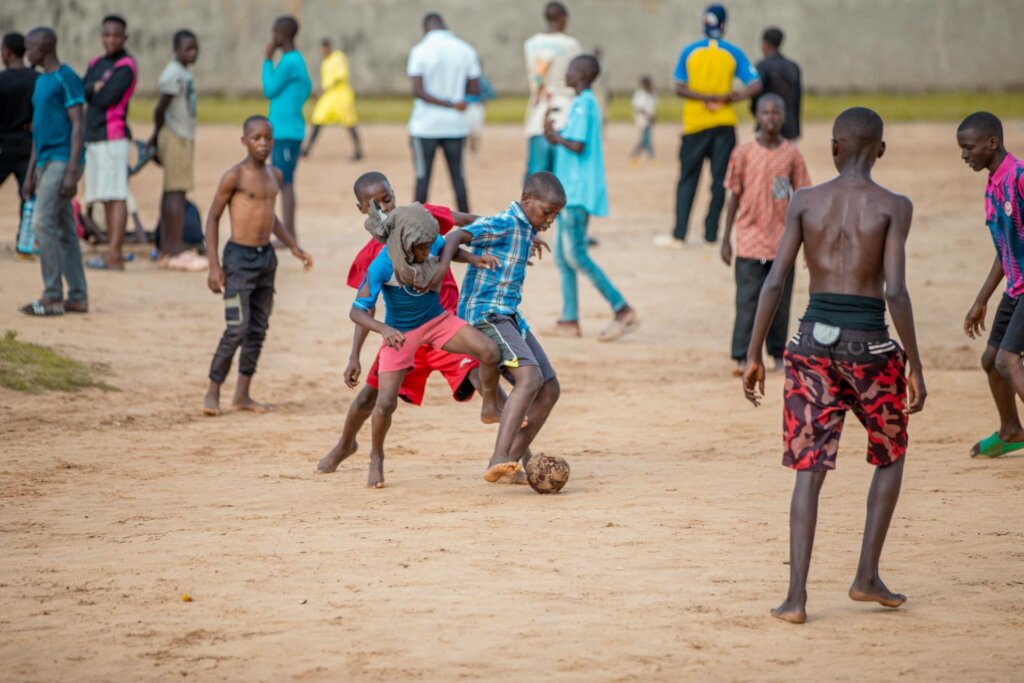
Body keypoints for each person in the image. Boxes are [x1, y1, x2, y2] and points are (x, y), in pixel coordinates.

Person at [742, 107, 927, 624]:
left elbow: (775, 280)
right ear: (881, 151)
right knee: (890, 453)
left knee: (809, 470)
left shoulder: (805, 200)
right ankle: (866, 575)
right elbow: (895, 290)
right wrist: (914, 363)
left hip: (808, 348)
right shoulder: (894, 206)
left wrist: (756, 352)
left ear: (834, 148)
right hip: (869, 350)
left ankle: (796, 598)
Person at [317, 171, 484, 475]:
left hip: (442, 324)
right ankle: (346, 445)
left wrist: (512, 232)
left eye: (387, 199)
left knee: (480, 375)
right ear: (361, 211)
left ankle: (515, 453)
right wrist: (354, 355)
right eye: (374, 206)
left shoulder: (422, 217)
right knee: (371, 396)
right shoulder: (373, 256)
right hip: (403, 334)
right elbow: (364, 307)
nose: (385, 209)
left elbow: (469, 220)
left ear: (395, 193)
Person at [347, 203, 506, 489]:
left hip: (438, 321)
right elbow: (357, 311)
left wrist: (472, 259)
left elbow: (448, 250)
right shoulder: (383, 264)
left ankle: (491, 407)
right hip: (402, 334)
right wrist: (385, 329)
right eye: (421, 250)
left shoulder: (429, 240)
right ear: (405, 245)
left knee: (490, 351)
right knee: (384, 403)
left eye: (429, 247)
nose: (426, 254)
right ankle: (376, 456)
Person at [435, 172, 566, 482]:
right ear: (527, 201)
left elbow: (520, 235)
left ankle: (513, 462)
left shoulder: (523, 228)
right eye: (546, 213)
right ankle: (500, 456)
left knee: (550, 389)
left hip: (508, 316)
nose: (549, 221)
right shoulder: (504, 222)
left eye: (554, 216)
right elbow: (452, 238)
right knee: (529, 377)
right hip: (484, 314)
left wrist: (530, 237)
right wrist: (448, 268)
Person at [202, 115, 313, 417]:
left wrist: (293, 246)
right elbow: (212, 218)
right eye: (256, 138)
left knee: (258, 328)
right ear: (244, 141)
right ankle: (213, 391)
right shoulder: (234, 176)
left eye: (268, 138)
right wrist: (214, 266)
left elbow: (271, 216)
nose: (263, 143)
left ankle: (242, 394)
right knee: (236, 328)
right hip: (238, 260)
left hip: (266, 260)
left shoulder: (274, 175)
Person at [544, 55, 638, 341]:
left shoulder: (584, 103)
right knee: (563, 256)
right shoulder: (582, 103)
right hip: (571, 192)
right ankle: (569, 320)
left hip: (577, 192)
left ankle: (621, 308)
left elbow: (577, 144)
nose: (567, 73)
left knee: (576, 254)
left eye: (571, 69)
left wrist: (555, 137)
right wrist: (557, 135)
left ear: (582, 75)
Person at [657, 4, 760, 249]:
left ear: (704, 23)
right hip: (724, 124)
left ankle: (679, 234)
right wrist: (729, 97)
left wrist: (703, 97)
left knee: (687, 180)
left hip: (695, 124)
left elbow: (679, 87)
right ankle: (711, 234)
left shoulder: (690, 52)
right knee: (719, 182)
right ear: (724, 25)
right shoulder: (733, 52)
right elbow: (755, 84)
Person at [720, 94, 811, 374]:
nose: (771, 118)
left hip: (782, 241)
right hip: (748, 239)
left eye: (776, 113)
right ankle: (743, 355)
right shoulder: (743, 152)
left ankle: (777, 353)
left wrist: (808, 242)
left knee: (780, 302)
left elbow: (803, 196)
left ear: (784, 117)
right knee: (747, 299)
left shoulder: (791, 154)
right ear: (757, 117)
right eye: (765, 113)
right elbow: (733, 195)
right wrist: (726, 238)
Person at [958, 112, 1024, 458]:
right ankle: (1011, 430)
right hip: (1015, 287)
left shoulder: (1020, 177)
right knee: (991, 359)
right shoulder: (992, 186)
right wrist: (981, 299)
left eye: (968, 147)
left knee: (1007, 361)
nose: (964, 155)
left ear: (992, 143)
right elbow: (1005, 248)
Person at [18, 27, 87, 317]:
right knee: (65, 231)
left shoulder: (65, 77)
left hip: (62, 160)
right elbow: (38, 130)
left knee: (43, 223)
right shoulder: (41, 82)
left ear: (44, 48)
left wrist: (73, 169)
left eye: (30, 47)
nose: (26, 52)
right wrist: (31, 172)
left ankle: (52, 296)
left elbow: (78, 125)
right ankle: (78, 296)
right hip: (45, 161)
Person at [407, 13, 480, 213]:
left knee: (423, 178)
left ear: (425, 28)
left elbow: (418, 90)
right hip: (455, 126)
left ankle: (415, 226)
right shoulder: (465, 50)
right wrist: (456, 101)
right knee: (459, 178)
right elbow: (475, 88)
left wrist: (447, 103)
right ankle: (469, 227)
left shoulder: (420, 50)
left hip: (424, 126)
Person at [145, 29, 204, 271]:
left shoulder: (183, 73)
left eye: (195, 48)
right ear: (175, 49)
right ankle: (174, 248)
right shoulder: (173, 74)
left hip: (182, 136)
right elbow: (160, 110)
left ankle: (168, 247)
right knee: (175, 193)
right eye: (187, 48)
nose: (193, 53)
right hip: (175, 136)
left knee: (174, 192)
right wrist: (155, 138)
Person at [82, 14, 138, 271]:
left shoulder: (126, 66)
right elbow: (83, 91)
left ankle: (115, 254)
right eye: (107, 35)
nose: (111, 39)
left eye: (116, 35)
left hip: (113, 138)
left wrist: (95, 90)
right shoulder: (97, 62)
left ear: (124, 37)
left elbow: (105, 98)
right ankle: (111, 251)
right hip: (94, 137)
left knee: (116, 195)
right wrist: (93, 88)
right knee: (105, 195)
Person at [262, 15, 312, 242]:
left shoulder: (290, 61)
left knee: (285, 182)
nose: (272, 38)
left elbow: (269, 88)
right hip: (287, 130)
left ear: (284, 35)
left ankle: (288, 234)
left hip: (286, 132)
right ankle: (287, 233)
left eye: (275, 33)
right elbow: (306, 87)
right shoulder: (295, 60)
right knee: (283, 181)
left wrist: (266, 59)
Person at [523, 1, 582, 176]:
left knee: (537, 176)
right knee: (562, 176)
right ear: (563, 19)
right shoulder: (571, 44)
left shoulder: (531, 44)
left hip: (538, 110)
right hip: (565, 111)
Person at [0, 32, 38, 259]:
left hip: (3, 146)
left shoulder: (1, 80)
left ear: (8, 52)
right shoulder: (37, 79)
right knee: (28, 196)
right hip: (27, 148)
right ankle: (24, 246)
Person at [303, 38, 362, 161]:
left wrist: (322, 91)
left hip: (341, 96)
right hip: (329, 97)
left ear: (330, 47)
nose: (324, 51)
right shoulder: (325, 62)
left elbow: (339, 77)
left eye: (325, 48)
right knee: (317, 120)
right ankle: (307, 149)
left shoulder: (338, 57)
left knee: (349, 123)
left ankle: (358, 151)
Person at [751, 27, 802, 142]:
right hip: (790, 127)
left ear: (764, 44)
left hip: (767, 127)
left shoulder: (762, 66)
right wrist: (796, 128)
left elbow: (755, 94)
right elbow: (797, 100)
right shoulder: (793, 66)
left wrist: (757, 114)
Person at [465, 69, 495, 156]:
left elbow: (488, 93)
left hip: (477, 105)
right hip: (466, 105)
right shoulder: (463, 78)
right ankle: (470, 147)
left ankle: (475, 149)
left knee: (477, 130)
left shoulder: (482, 80)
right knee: (467, 129)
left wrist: (484, 100)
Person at [630, 75, 656, 161]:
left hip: (649, 120)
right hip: (642, 120)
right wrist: (647, 115)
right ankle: (649, 155)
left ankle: (637, 154)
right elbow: (639, 107)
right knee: (646, 139)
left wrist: (652, 117)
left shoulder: (651, 94)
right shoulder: (640, 94)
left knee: (645, 138)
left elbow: (653, 108)